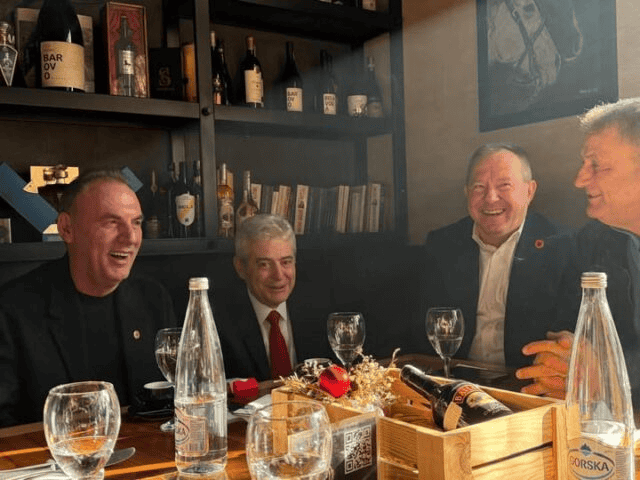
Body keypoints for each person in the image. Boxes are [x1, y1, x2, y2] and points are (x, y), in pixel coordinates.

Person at [0, 169, 177, 427]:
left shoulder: (153, 299)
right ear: (67, 229)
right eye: (111, 222)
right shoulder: (12, 309)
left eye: (136, 223)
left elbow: (174, 399)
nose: (130, 238)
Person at [517, 98, 640, 404]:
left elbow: (607, 368)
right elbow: (570, 329)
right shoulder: (593, 240)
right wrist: (564, 356)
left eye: (596, 165)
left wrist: (610, 372)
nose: (579, 180)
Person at [419, 143, 571, 369]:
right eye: (479, 187)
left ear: (529, 191)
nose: (490, 198)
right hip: (455, 378)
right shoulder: (442, 244)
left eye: (504, 185)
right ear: (467, 193)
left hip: (525, 381)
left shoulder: (563, 247)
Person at [215, 213, 332, 381]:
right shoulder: (218, 323)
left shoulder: (319, 309)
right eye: (264, 264)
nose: (278, 275)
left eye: (286, 262)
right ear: (240, 268)